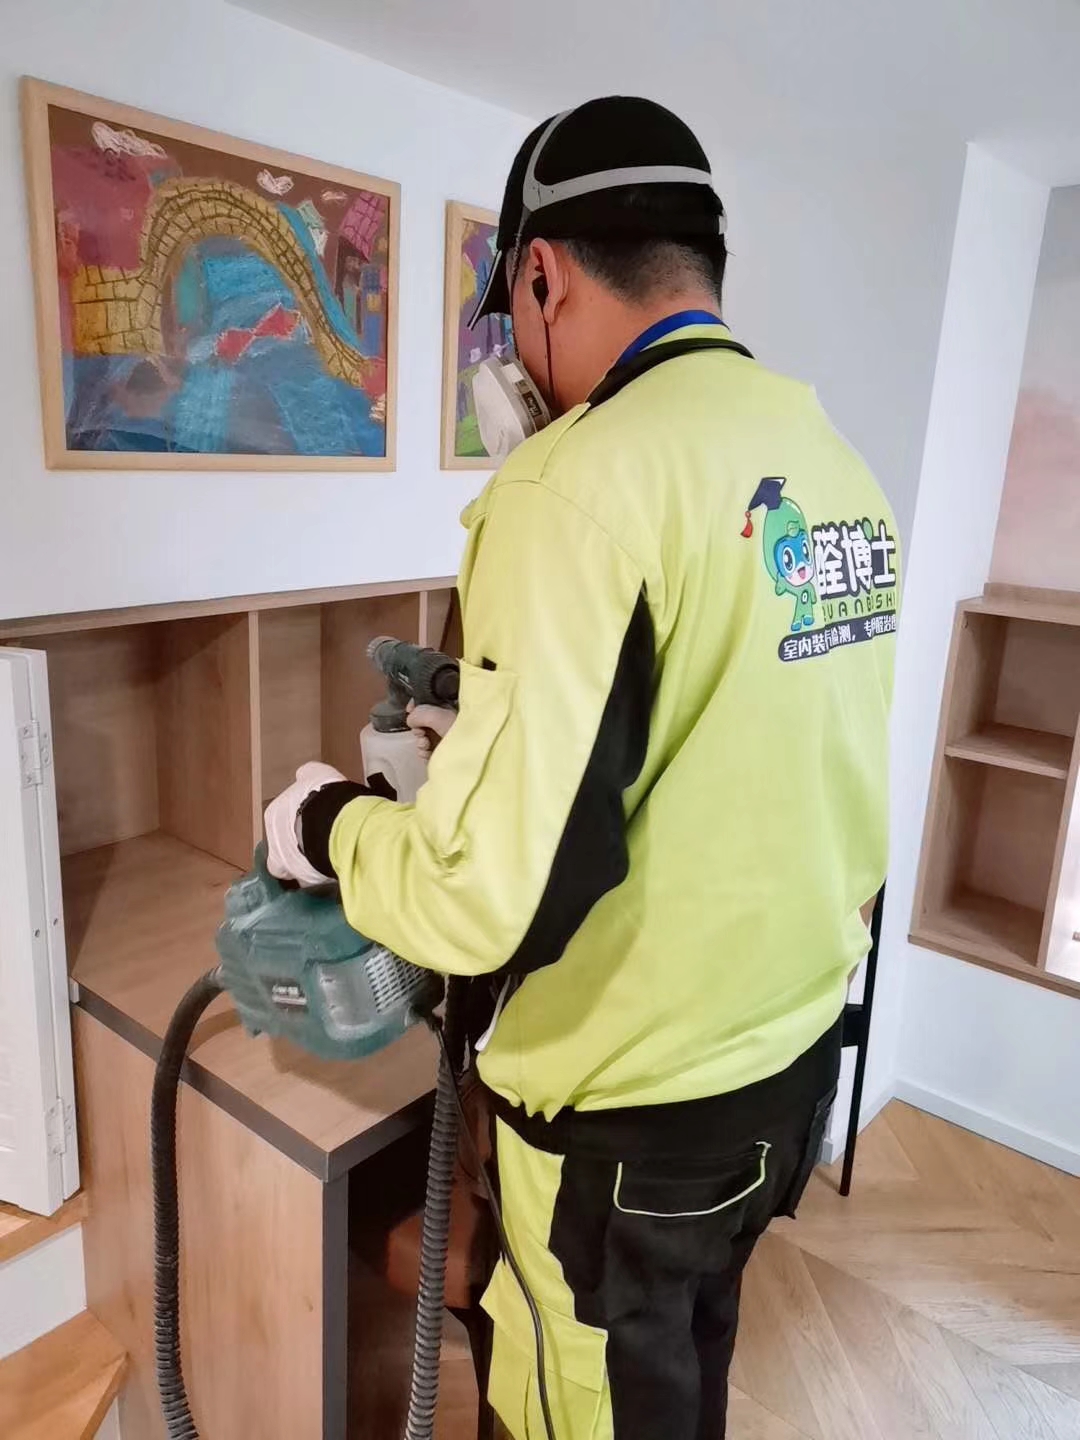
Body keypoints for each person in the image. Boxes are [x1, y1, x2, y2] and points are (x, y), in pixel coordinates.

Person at [266, 96, 898, 1440]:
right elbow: (739, 728)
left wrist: (329, 826)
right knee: (686, 1360)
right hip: (788, 1065)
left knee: (582, 1405)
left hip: (631, 1126)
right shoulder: (833, 461)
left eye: (512, 315)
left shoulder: (571, 486)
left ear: (541, 276)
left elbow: (481, 900)